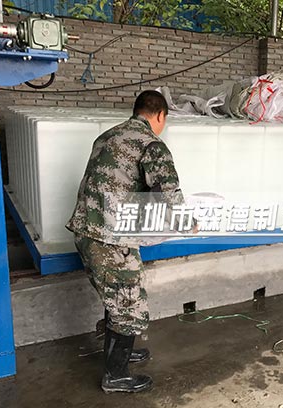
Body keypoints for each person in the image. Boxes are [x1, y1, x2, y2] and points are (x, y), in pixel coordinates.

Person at [66, 90, 187, 393]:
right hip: (109, 239)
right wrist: (186, 222)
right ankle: (116, 376)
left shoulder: (107, 136)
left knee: (118, 298)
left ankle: (122, 352)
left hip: (87, 231)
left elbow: (119, 184)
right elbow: (167, 191)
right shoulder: (151, 144)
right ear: (160, 115)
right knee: (130, 304)